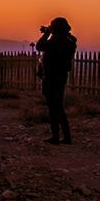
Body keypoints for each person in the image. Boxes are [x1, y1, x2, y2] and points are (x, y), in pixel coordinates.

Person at [35, 17, 77, 145]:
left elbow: (39, 46)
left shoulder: (55, 42)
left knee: (54, 108)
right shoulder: (70, 42)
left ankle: (56, 137)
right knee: (58, 107)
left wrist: (47, 33)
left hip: (51, 77)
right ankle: (66, 137)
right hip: (61, 76)